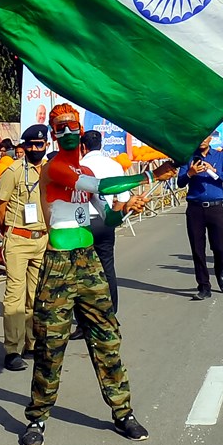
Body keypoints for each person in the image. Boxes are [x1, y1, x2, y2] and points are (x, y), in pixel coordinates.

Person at [19, 103, 176, 445]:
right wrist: (150, 176)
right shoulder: (56, 168)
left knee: (107, 337)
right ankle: (38, 418)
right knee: (51, 345)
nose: (68, 132)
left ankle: (123, 413)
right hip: (58, 264)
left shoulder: (83, 170)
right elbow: (101, 185)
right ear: (54, 133)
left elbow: (107, 217)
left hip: (89, 262)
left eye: (72, 125)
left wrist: (122, 209)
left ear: (81, 128)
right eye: (60, 127)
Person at [0, 125, 49, 372]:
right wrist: (8, 232)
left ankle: (32, 343)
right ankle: (12, 350)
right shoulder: (13, 172)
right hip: (18, 238)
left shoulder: (49, 170)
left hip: (42, 239)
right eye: (32, 145)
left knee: (35, 295)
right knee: (14, 297)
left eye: (41, 144)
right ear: (24, 147)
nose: (37, 149)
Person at [79, 130, 131, 314]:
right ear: (100, 145)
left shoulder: (79, 165)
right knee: (107, 268)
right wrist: (112, 219)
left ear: (82, 147)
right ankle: (111, 313)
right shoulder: (114, 165)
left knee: (83, 272)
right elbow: (124, 197)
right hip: (105, 222)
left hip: (82, 223)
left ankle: (86, 319)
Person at [177, 135, 223, 300]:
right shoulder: (188, 158)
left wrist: (214, 170)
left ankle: (219, 268)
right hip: (195, 208)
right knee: (197, 248)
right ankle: (203, 285)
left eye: (205, 137)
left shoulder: (220, 156)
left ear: (211, 138)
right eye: (199, 137)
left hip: (215, 207)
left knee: (219, 246)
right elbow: (180, 183)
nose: (202, 140)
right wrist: (190, 173)